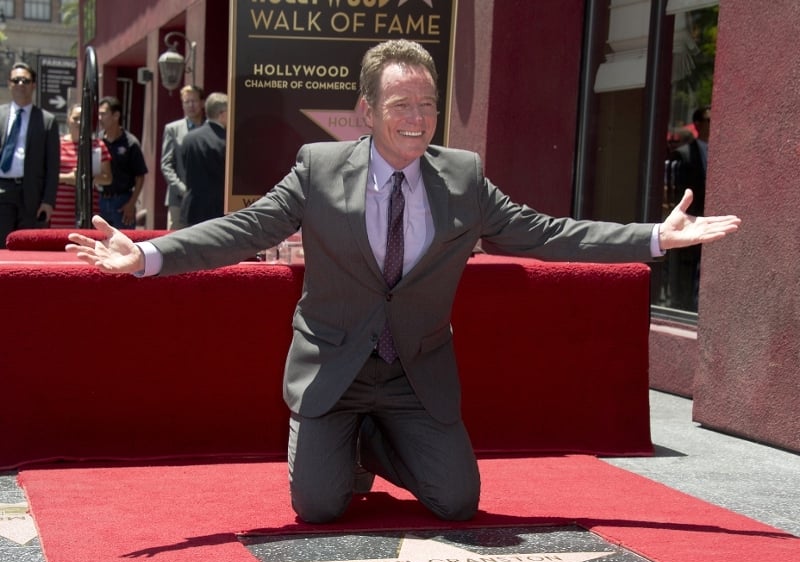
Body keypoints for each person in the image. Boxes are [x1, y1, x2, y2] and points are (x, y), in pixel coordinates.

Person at [66, 40, 740, 524]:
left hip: (414, 374)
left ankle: (376, 440)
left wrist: (653, 238)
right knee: (318, 508)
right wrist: (149, 256)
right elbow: (246, 231)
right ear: (366, 110)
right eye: (401, 102)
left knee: (458, 503)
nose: (418, 115)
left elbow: (550, 234)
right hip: (334, 367)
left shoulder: (464, 179)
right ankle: (339, 440)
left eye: (428, 101)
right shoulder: (319, 169)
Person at [0, 62, 60, 246]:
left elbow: (53, 165)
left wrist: (48, 201)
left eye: (25, 80)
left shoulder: (47, 120)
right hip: (2, 189)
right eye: (16, 80)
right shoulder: (0, 114)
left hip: (31, 194)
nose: (20, 84)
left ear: (33, 85)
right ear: (9, 84)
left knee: (25, 246)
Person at [667, 105, 711, 309]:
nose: (713, 125)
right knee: (686, 270)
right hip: (689, 221)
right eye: (709, 120)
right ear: (699, 125)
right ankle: (681, 304)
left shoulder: (722, 151)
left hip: (711, 223)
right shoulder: (683, 155)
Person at [50, 104, 113, 229]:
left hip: (88, 210)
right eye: (75, 118)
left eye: (82, 118)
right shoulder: (56, 145)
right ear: (68, 119)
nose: (79, 122)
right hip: (59, 211)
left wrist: (86, 177)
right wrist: (68, 178)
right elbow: (46, 176)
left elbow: (108, 178)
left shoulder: (97, 145)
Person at [97, 96, 148, 229]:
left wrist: (131, 203)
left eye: (104, 114)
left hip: (122, 201)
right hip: (101, 200)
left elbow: (140, 176)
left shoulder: (131, 143)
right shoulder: (98, 141)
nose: (100, 118)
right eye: (99, 114)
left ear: (116, 115)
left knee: (124, 243)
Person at [179, 92, 227, 226]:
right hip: (217, 210)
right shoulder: (226, 141)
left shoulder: (189, 138)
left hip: (191, 208)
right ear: (222, 114)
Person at [161, 85, 205, 230]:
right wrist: (182, 189)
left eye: (194, 101)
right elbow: (166, 164)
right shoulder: (173, 129)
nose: (190, 105)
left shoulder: (210, 128)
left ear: (202, 103)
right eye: (186, 102)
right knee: (174, 242)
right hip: (179, 199)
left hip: (204, 198)